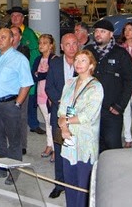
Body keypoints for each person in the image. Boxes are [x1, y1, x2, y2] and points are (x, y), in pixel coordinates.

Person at [0, 28, 34, 185]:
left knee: (14, 140)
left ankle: (13, 171)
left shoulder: (19, 59)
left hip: (10, 105)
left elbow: (26, 84)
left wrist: (17, 103)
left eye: (3, 37)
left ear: (12, 40)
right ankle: (0, 168)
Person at [58, 49, 104, 207]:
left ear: (91, 65)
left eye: (83, 60)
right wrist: (64, 128)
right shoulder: (69, 82)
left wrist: (66, 122)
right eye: (76, 59)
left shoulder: (96, 87)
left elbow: (87, 116)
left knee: (83, 184)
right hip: (68, 139)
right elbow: (61, 110)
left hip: (85, 141)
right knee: (69, 181)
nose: (78, 63)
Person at [84, 19, 132, 152]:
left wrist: (120, 105)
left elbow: (130, 79)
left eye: (102, 31)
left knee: (112, 145)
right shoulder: (88, 52)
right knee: (93, 146)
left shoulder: (120, 54)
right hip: (91, 110)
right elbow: (78, 77)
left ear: (111, 34)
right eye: (96, 31)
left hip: (112, 111)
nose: (98, 34)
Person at [45, 33, 78, 199]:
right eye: (68, 44)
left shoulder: (84, 63)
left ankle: (76, 185)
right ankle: (59, 183)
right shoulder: (55, 63)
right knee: (59, 150)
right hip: (59, 114)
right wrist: (60, 101)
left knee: (77, 150)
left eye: (74, 44)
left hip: (78, 116)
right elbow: (49, 87)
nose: (71, 47)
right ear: (62, 47)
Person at [8, 6, 42, 135]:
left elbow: (35, 53)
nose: (15, 18)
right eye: (13, 16)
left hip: (26, 71)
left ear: (23, 18)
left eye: (18, 16)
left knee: (30, 97)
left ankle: (33, 123)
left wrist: (32, 70)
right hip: (11, 74)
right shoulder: (7, 31)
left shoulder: (29, 33)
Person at [31, 34, 59, 160]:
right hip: (40, 94)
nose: (41, 45)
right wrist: (40, 75)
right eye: (40, 43)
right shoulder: (38, 59)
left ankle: (55, 148)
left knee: (53, 122)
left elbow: (50, 76)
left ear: (51, 45)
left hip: (50, 96)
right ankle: (50, 145)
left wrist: (40, 74)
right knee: (47, 122)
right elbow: (33, 74)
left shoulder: (55, 59)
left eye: (45, 43)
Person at [11, 26, 34, 155]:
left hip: (21, 88)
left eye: (15, 34)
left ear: (20, 37)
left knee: (21, 117)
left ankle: (22, 144)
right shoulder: (3, 50)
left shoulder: (23, 49)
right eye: (11, 34)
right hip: (8, 89)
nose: (13, 37)